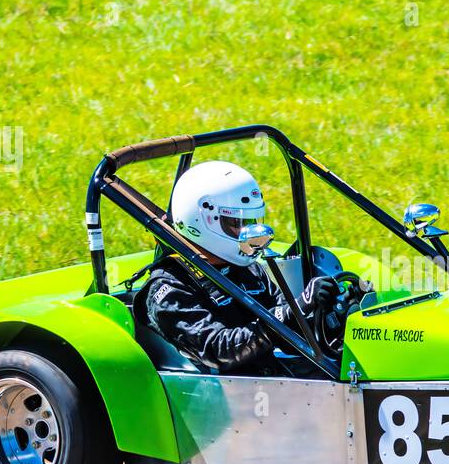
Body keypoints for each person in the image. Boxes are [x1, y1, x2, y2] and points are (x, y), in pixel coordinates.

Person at [135, 160, 341, 373]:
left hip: (271, 378)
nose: (247, 232)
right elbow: (219, 352)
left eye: (250, 221)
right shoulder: (169, 288)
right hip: (223, 396)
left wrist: (324, 312)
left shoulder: (247, 268)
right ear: (202, 219)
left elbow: (286, 332)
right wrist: (294, 310)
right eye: (236, 224)